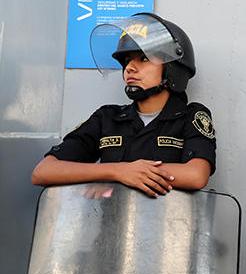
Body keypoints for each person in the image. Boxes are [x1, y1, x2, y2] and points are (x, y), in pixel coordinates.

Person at [31, 13, 216, 196]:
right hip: (111, 223)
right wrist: (119, 171)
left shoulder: (191, 116)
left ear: (172, 68)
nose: (129, 68)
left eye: (143, 59)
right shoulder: (107, 118)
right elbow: (43, 172)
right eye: (127, 61)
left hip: (168, 223)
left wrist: (134, 173)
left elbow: (196, 175)